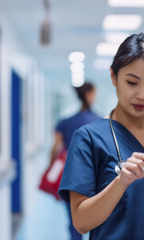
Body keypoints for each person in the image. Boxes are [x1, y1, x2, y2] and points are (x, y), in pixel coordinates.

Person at [58, 33, 144, 240]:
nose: (142, 95)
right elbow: (81, 222)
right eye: (132, 82)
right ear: (113, 77)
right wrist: (121, 182)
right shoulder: (89, 139)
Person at [50, 82, 100, 240]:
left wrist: (52, 167)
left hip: (71, 177)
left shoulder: (65, 121)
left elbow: (55, 148)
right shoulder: (100, 120)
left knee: (74, 222)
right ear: (90, 94)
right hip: (96, 177)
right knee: (99, 219)